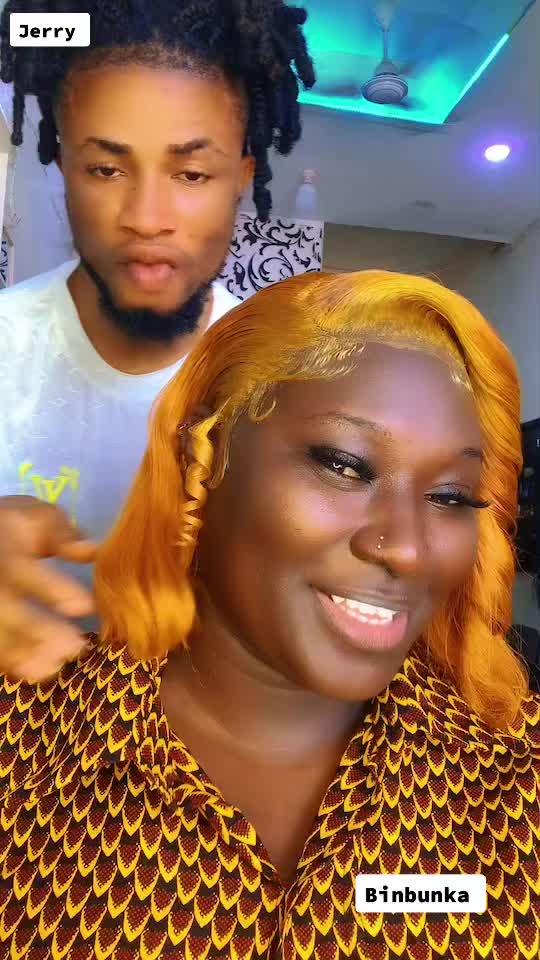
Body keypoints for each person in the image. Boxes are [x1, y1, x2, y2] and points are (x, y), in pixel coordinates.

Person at [1, 270, 538, 960]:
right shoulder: (24, 734)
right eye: (345, 465)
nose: (407, 547)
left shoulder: (514, 771)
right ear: (205, 457)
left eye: (452, 497)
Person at [0, 0, 314, 680]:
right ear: (62, 167)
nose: (146, 219)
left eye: (191, 174)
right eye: (105, 169)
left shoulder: (287, 381)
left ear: (242, 181)